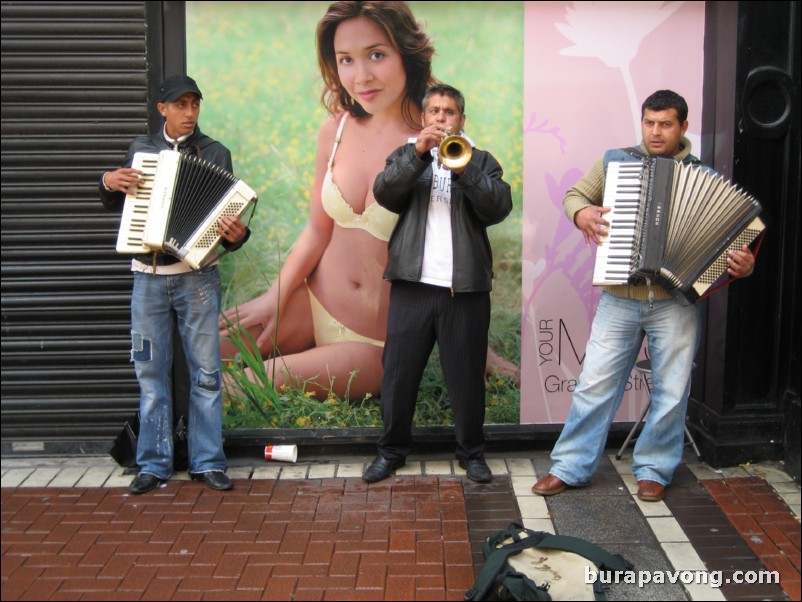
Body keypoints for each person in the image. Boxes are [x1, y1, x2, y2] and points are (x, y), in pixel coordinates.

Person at [219, 1, 518, 402]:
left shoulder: (441, 145)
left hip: (376, 340)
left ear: (406, 54)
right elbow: (317, 230)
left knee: (247, 383)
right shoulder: (336, 129)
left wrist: (479, 350)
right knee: (202, 352)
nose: (360, 77)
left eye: (376, 54)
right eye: (346, 59)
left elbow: (454, 252)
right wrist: (274, 297)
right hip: (312, 301)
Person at [531, 90, 756, 502]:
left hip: (675, 303)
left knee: (672, 389)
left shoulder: (703, 178)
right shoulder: (616, 161)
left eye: (665, 124)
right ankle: (570, 466)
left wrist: (742, 265)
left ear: (683, 127)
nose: (655, 131)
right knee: (594, 383)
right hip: (621, 295)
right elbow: (575, 196)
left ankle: (654, 468)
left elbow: (727, 248)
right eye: (649, 123)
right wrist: (581, 213)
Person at [100, 74, 249, 494]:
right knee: (150, 373)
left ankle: (207, 461)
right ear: (162, 109)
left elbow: (224, 225)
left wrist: (239, 237)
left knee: (205, 373)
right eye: (180, 105)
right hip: (147, 276)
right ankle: (153, 463)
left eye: (194, 105)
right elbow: (113, 196)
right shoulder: (141, 149)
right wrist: (107, 181)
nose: (189, 113)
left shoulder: (216, 153)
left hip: (196, 277)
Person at [362, 83, 513, 484]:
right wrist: (417, 155)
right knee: (398, 375)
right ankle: (391, 452)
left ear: (461, 120)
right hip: (414, 285)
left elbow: (499, 206)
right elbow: (384, 193)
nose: (441, 118)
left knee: (466, 378)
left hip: (464, 289)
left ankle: (472, 454)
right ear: (424, 118)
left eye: (449, 112)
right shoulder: (405, 155)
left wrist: (465, 172)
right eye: (434, 111)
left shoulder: (481, 161)